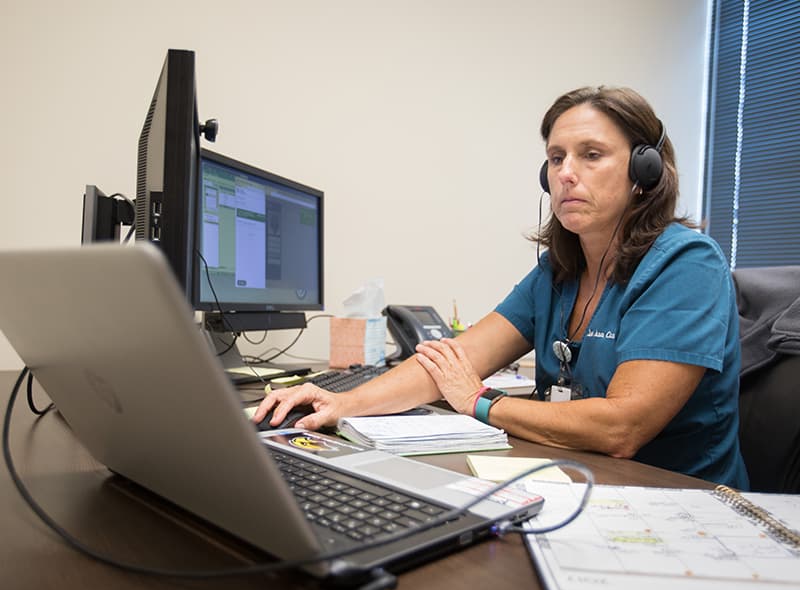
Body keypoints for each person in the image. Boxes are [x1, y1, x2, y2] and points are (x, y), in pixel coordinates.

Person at [254, 86, 750, 489]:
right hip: (580, 481)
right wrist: (343, 403)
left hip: (678, 501)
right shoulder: (558, 270)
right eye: (556, 159)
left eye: (591, 155)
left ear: (645, 171)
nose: (566, 174)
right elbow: (455, 361)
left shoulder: (687, 264)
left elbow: (622, 428)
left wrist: (481, 402)